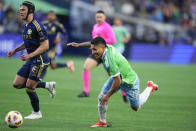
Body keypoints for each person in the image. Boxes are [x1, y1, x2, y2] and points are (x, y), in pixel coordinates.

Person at [85, 37, 158, 127]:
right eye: (92, 49)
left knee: (136, 107)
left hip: (129, 81)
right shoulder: (106, 46)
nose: (92, 52)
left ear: (103, 47)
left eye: (94, 49)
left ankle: (150, 87)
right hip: (117, 77)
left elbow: (118, 80)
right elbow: (92, 44)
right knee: (101, 97)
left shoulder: (109, 59)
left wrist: (108, 95)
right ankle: (103, 122)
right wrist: (78, 45)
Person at [7, 1, 56, 119]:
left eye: (23, 10)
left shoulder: (38, 26)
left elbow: (45, 46)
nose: (20, 12)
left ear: (30, 11)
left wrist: (29, 55)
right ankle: (46, 85)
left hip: (40, 60)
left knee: (29, 87)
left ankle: (37, 112)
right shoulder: (25, 25)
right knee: (17, 84)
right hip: (31, 59)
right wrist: (15, 50)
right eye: (20, 10)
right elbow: (27, 41)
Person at [68, 10, 128, 99]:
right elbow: (93, 41)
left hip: (106, 53)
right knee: (86, 67)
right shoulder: (95, 26)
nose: (99, 18)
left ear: (105, 18)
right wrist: (80, 44)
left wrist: (100, 40)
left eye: (100, 17)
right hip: (96, 52)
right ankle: (86, 91)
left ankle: (124, 93)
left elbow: (112, 40)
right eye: (97, 17)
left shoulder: (107, 27)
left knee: (114, 76)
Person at [112, 18, 131, 103]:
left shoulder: (123, 29)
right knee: (117, 75)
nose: (116, 21)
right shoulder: (111, 28)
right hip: (112, 47)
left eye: (118, 20)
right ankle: (124, 94)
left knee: (117, 74)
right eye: (116, 20)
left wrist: (125, 40)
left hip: (119, 47)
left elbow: (128, 35)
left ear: (120, 21)